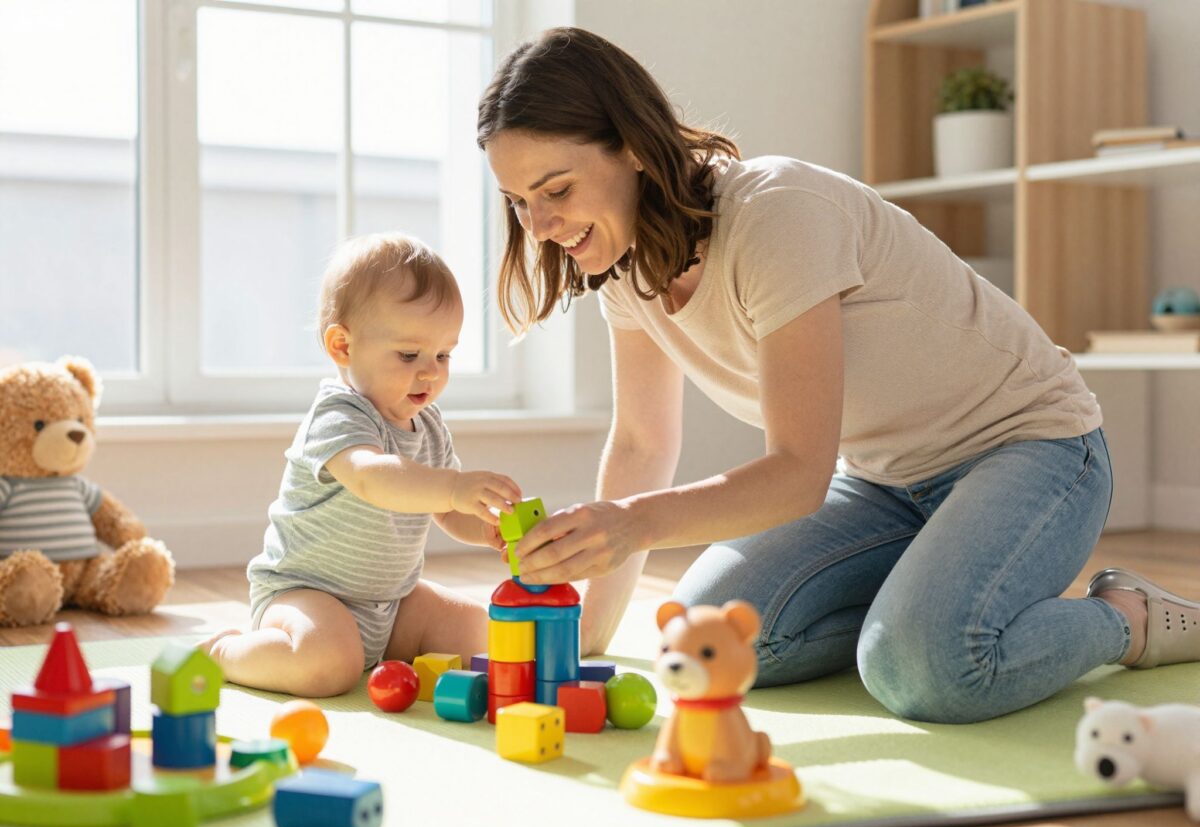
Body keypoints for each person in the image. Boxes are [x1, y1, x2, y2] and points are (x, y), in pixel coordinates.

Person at [476, 27, 1200, 724]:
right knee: (703, 637)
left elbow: (797, 474)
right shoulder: (624, 270)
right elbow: (639, 444)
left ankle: (1123, 620)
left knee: (923, 668)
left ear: (631, 147)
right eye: (519, 202)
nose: (538, 225)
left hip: (1032, 449)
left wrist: (630, 526)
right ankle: (921, 603)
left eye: (556, 190)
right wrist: (587, 634)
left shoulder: (774, 214)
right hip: (886, 481)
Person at [202, 233, 522, 697]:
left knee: (485, 634)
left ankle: (378, 652)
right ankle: (225, 652)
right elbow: (374, 478)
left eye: (443, 354)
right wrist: (454, 486)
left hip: (392, 603)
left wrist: (485, 526)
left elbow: (446, 511)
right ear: (342, 347)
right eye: (410, 355)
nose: (430, 371)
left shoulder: (428, 426)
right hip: (306, 595)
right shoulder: (338, 415)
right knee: (328, 667)